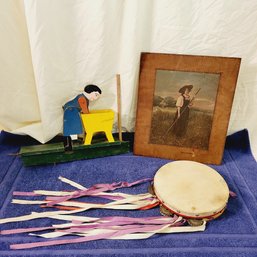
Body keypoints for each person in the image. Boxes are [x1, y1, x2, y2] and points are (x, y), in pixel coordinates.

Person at [63, 84, 102, 150]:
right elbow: (85, 110)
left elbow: (85, 109)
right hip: (71, 110)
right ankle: (72, 142)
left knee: (74, 125)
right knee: (73, 126)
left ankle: (74, 140)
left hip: (74, 111)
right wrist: (89, 117)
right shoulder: (82, 98)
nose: (96, 98)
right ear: (90, 92)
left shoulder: (85, 98)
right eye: (96, 95)